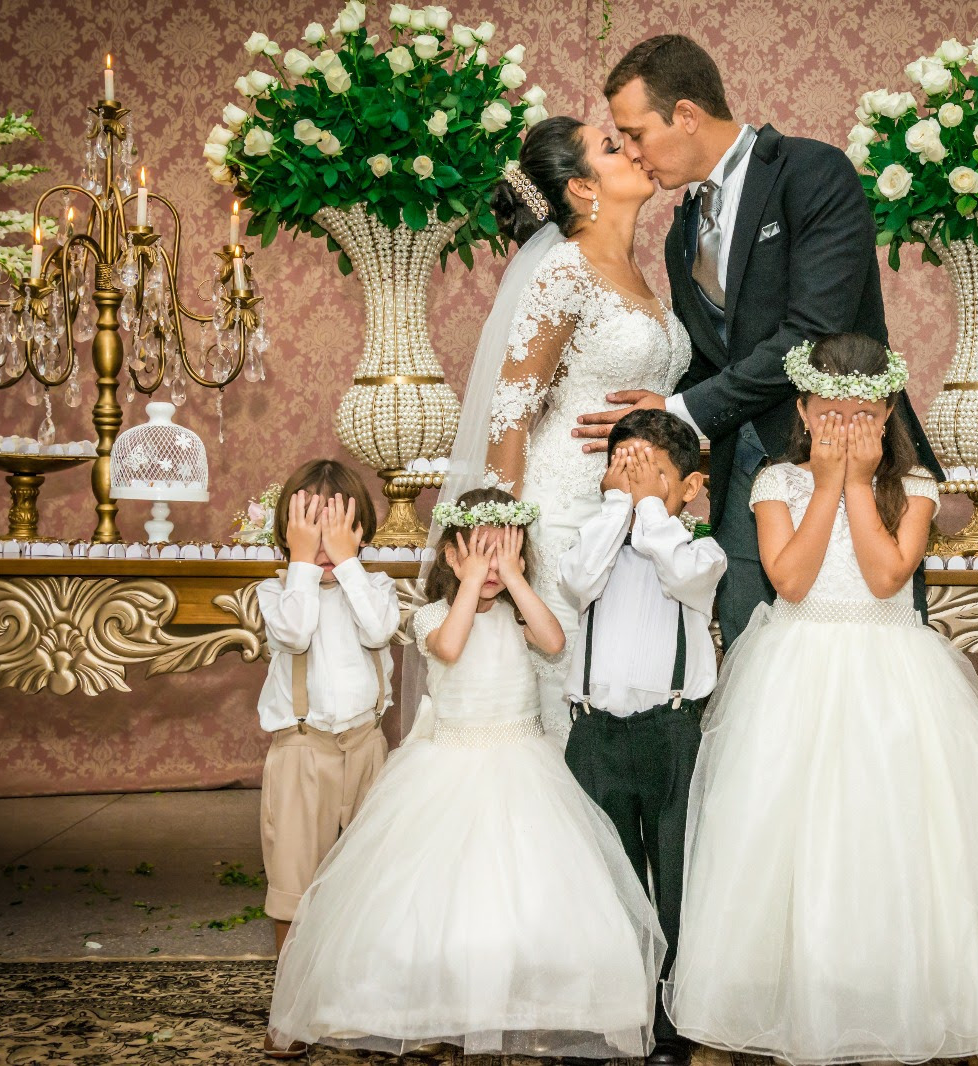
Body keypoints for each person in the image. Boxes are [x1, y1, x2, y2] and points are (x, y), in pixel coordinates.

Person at [667, 335, 978, 1066]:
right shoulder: (774, 484)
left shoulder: (916, 487)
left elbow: (886, 576)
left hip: (890, 668)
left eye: (863, 413)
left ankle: (931, 1004)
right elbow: (789, 580)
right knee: (783, 837)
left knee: (902, 838)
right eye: (832, 414)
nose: (848, 427)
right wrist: (824, 485)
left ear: (887, 413)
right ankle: (763, 1007)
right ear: (803, 409)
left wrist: (855, 484)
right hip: (796, 666)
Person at [575, 34, 942, 649]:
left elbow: (810, 335)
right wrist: (659, 418)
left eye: (636, 133)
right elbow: (713, 354)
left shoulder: (811, 172)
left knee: (866, 649)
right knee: (753, 660)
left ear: (687, 115)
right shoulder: (681, 228)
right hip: (744, 477)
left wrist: (683, 412)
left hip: (847, 455)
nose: (633, 153)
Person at [269, 489, 664, 1059]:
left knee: (531, 891)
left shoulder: (518, 612)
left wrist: (515, 579)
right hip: (449, 766)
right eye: (478, 553)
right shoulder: (433, 614)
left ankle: (533, 999)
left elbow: (553, 641)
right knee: (439, 896)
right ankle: (433, 999)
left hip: (524, 765)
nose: (491, 566)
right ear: (452, 557)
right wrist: (471, 580)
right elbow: (450, 649)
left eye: (505, 553)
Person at [424, 114, 691, 742]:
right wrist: (498, 529)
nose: (632, 149)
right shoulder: (564, 271)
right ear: (581, 188)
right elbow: (511, 409)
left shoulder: (645, 275)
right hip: (563, 511)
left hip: (627, 510)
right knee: (564, 690)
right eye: (610, 146)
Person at [559, 408, 727, 1066]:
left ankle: (668, 1022)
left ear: (690, 486)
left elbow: (683, 576)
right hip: (595, 737)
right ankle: (612, 1014)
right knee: (606, 883)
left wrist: (652, 511)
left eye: (650, 467)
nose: (631, 476)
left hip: (671, 734)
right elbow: (576, 583)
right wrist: (616, 509)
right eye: (621, 463)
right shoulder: (592, 539)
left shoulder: (700, 549)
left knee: (675, 886)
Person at [254, 459, 396, 1059]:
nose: (322, 538)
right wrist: (302, 565)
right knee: (294, 883)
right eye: (308, 523)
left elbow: (378, 628)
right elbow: (294, 632)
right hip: (301, 751)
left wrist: (349, 561)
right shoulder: (277, 591)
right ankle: (291, 1006)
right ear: (287, 533)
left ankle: (359, 1000)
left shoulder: (376, 587)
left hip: (366, 748)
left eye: (336, 524)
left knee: (370, 881)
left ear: (361, 530)